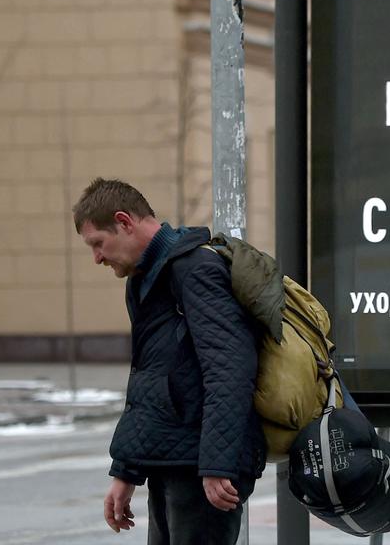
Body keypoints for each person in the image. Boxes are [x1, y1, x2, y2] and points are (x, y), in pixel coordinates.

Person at [72, 177, 265, 544]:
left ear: (124, 221)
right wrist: (126, 471)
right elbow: (149, 380)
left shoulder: (195, 269)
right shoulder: (146, 279)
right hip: (171, 461)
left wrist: (216, 464)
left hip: (203, 470)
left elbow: (230, 369)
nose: (97, 257)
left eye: (98, 243)